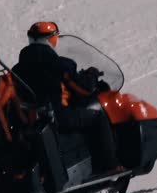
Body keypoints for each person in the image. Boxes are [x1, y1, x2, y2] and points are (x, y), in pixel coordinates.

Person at [13, 21, 122, 176]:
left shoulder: (17, 70)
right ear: (51, 39)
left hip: (32, 121)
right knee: (97, 117)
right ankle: (109, 166)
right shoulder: (58, 63)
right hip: (58, 117)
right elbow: (84, 89)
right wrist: (92, 75)